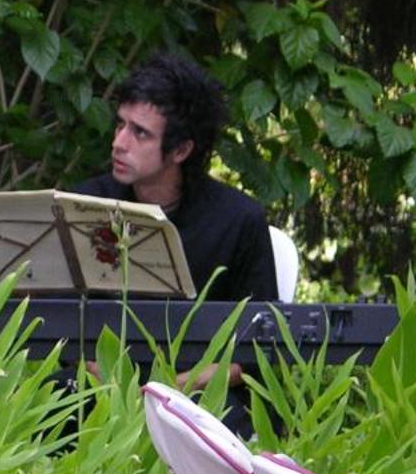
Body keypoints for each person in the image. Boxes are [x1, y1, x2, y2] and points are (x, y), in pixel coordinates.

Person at [71, 52, 278, 304]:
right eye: (120, 125)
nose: (118, 143)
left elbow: (260, 332)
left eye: (140, 133)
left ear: (181, 150)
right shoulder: (84, 204)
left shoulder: (238, 222)